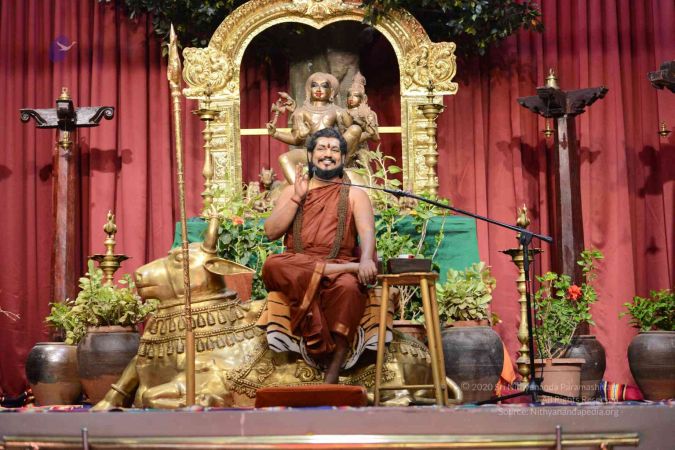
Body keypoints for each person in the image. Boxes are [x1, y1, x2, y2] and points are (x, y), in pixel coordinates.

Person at [261, 128, 377, 384]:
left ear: (343, 158)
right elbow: (271, 232)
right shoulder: (292, 190)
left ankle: (333, 371)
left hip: (338, 267)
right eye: (322, 148)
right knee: (272, 263)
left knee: (349, 287)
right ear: (310, 155)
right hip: (297, 265)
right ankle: (341, 269)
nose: (328, 154)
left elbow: (368, 232)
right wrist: (297, 198)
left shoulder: (355, 194)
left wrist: (367, 259)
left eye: (334, 150)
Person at [266, 72, 363, 184]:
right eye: (315, 85)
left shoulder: (338, 111)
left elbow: (348, 135)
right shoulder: (300, 112)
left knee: (355, 129)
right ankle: (301, 189)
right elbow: (296, 140)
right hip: (311, 152)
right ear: (309, 90)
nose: (319, 89)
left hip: (333, 150)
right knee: (284, 158)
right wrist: (276, 134)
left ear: (331, 92)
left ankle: (339, 169)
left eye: (324, 86)